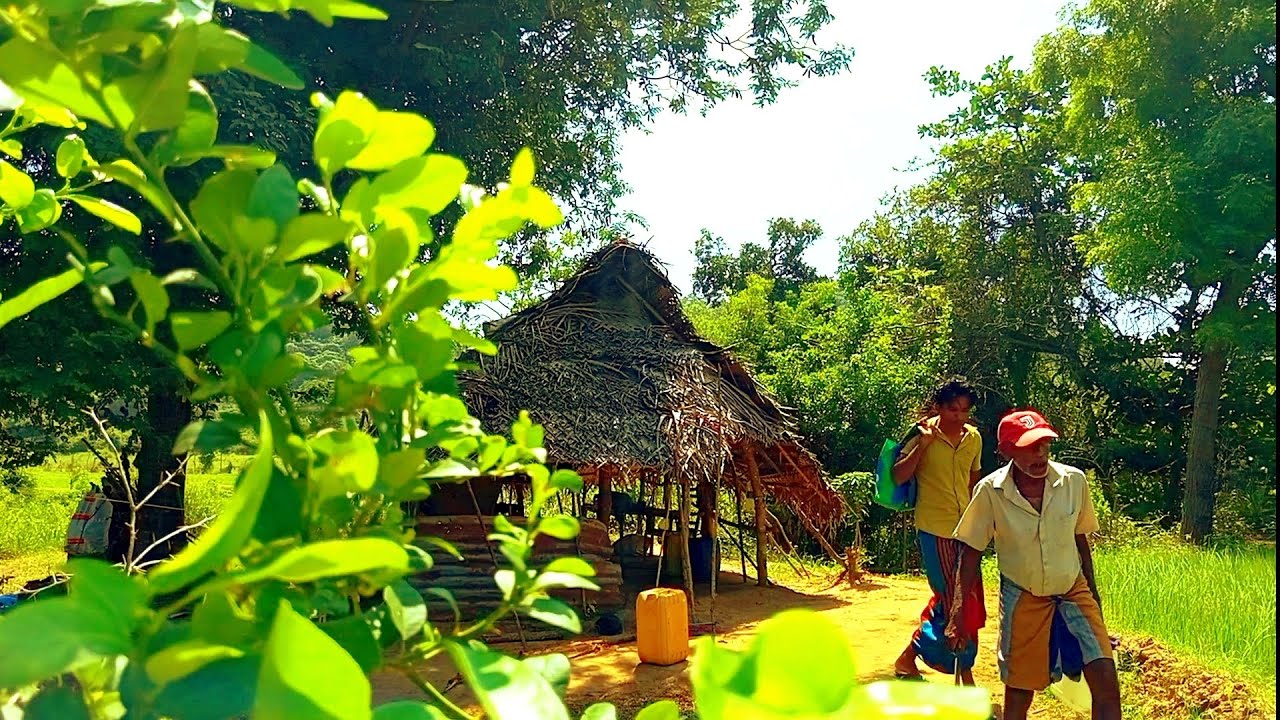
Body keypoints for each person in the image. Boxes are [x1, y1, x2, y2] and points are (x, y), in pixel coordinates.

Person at [948, 410, 1122, 720]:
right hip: (1023, 594)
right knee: (1018, 691)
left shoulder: (1073, 482)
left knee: (1106, 682)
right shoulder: (991, 491)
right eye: (1029, 447)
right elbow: (971, 550)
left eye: (1043, 444)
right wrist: (959, 610)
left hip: (1073, 589)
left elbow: (1081, 542)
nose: (1039, 453)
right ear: (1006, 452)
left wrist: (1094, 600)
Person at [891, 377, 986, 685]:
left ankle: (909, 656)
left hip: (967, 528)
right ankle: (966, 679)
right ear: (938, 407)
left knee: (967, 597)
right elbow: (898, 475)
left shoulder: (974, 438)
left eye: (964, 410)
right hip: (935, 527)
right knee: (952, 600)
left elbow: (974, 481)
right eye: (952, 409)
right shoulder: (921, 434)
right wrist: (925, 445)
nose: (958, 416)